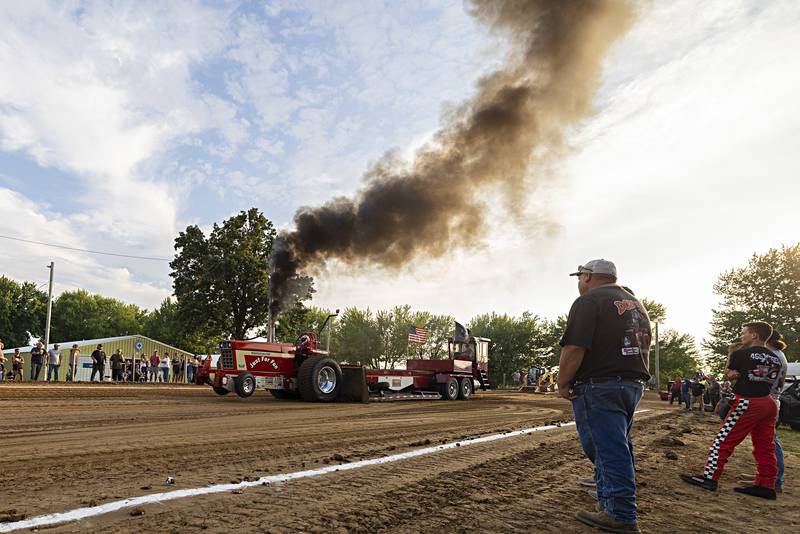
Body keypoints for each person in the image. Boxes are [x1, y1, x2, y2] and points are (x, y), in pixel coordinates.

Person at [557, 259, 650, 533]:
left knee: (605, 449)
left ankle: (620, 514)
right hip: (631, 383)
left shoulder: (589, 301)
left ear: (588, 277)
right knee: (617, 446)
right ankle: (608, 502)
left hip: (601, 385)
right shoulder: (635, 303)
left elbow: (574, 347)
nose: (579, 282)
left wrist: (563, 382)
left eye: (580, 276)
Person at [681, 321, 782, 499]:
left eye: (744, 333)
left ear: (754, 336)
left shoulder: (741, 354)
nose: (741, 336)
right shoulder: (775, 357)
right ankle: (767, 484)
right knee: (765, 445)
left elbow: (730, 374)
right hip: (769, 402)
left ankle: (709, 478)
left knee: (723, 441)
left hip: (748, 401)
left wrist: (730, 354)